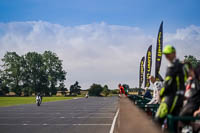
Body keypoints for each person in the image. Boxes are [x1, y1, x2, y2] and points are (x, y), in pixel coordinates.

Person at [155, 45, 187, 125]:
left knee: (157, 120)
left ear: (174, 53)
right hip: (179, 97)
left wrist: (161, 94)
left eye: (168, 54)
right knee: (173, 123)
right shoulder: (182, 66)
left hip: (172, 97)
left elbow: (167, 84)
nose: (167, 56)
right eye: (165, 54)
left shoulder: (174, 66)